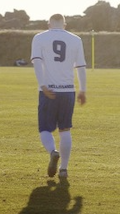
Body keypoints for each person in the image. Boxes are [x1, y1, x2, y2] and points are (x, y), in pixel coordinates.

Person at [30, 14, 87, 179]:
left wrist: (43, 85)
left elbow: (37, 63)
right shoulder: (76, 39)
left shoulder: (39, 38)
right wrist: (82, 90)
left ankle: (53, 152)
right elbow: (81, 67)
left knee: (45, 129)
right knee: (65, 129)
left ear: (48, 24)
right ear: (65, 25)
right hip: (68, 91)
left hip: (48, 91)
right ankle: (64, 169)